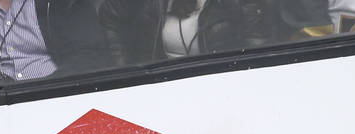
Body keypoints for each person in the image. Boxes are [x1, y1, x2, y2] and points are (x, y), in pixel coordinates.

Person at [98, 0, 277, 67]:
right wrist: (125, 69)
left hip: (221, 85)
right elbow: (111, 14)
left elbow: (256, 49)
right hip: (163, 89)